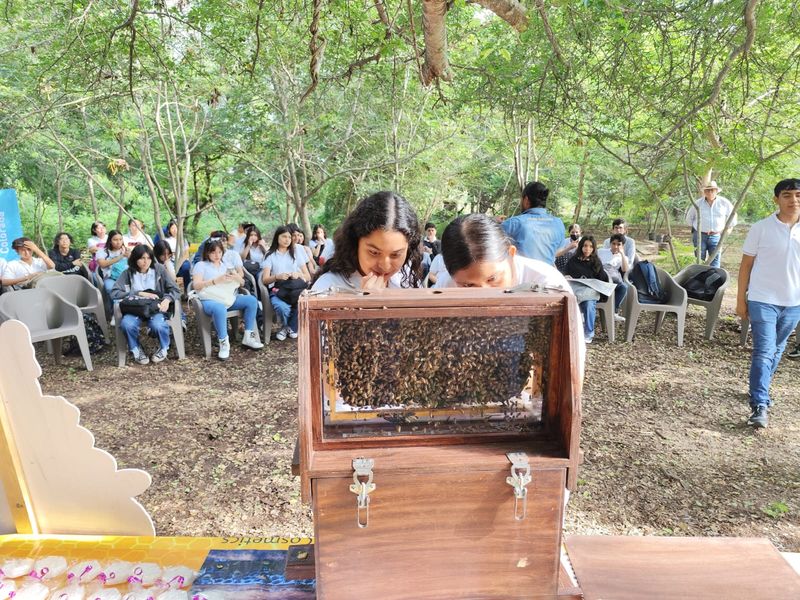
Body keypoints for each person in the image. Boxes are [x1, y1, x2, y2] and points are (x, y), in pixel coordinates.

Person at [438, 213, 584, 372]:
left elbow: (573, 357)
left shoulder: (547, 283)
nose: (485, 295)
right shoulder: (446, 286)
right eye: (467, 285)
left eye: (492, 278)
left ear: (511, 254)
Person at [735, 178, 800, 429]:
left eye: (797, 195)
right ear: (776, 199)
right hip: (763, 299)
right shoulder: (761, 228)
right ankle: (759, 404)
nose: (793, 200)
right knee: (764, 350)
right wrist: (742, 299)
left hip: (794, 302)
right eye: (787, 195)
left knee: (777, 348)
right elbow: (746, 265)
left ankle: (759, 386)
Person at [312, 191, 423, 291]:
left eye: (396, 255)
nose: (384, 266)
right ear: (355, 243)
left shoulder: (407, 281)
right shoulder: (327, 287)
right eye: (374, 252)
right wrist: (367, 305)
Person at [110, 245, 181, 365]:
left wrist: (167, 299)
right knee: (127, 324)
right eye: (142, 258)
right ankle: (136, 350)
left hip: (155, 308)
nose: (145, 262)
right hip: (135, 308)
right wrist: (138, 293)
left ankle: (164, 348)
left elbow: (175, 289)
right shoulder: (128, 273)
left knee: (157, 325)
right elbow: (114, 293)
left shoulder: (159, 270)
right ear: (135, 259)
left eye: (148, 258)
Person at [193, 239, 263, 360]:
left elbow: (241, 283)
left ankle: (248, 336)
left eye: (220, 252)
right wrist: (215, 281)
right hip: (209, 299)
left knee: (251, 300)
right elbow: (196, 285)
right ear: (207, 253)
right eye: (213, 252)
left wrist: (236, 277)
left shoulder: (225, 265)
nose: (217, 255)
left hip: (226, 297)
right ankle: (224, 344)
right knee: (219, 308)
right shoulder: (201, 265)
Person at [260, 226, 311, 340]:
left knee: (304, 302)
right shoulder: (270, 255)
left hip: (295, 289)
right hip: (278, 290)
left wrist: (298, 275)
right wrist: (278, 276)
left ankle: (287, 327)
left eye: (289, 237)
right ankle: (290, 327)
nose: (287, 239)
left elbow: (307, 276)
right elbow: (265, 279)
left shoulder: (296, 253)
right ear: (277, 237)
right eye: (284, 236)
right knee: (282, 307)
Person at [501, 181, 565, 264]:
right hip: (547, 275)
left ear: (526, 200)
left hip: (521, 275)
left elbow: (490, 244)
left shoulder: (513, 223)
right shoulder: (558, 223)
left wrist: (493, 221)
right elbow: (558, 250)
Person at [565, 235, 610, 344]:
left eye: (590, 247)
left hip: (590, 293)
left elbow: (603, 280)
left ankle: (589, 333)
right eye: (585, 246)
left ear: (594, 248)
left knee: (589, 304)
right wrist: (567, 277)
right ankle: (569, 332)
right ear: (581, 247)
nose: (587, 249)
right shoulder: (573, 260)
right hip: (575, 292)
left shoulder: (596, 262)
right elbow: (565, 274)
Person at [685, 181, 737, 268]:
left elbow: (733, 217)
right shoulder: (698, 203)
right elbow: (689, 219)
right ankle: (700, 279)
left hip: (716, 236)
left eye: (712, 190)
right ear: (704, 192)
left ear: (716, 191)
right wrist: (698, 229)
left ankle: (714, 280)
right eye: (708, 190)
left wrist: (726, 231)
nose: (710, 192)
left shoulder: (724, 203)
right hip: (700, 236)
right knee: (699, 260)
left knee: (715, 261)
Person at [598, 233, 629, 319]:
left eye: (618, 244)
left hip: (613, 279)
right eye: (613, 244)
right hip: (601, 276)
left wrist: (622, 254)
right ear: (610, 243)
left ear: (622, 245)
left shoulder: (623, 257)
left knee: (623, 287)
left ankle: (613, 312)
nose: (615, 246)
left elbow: (625, 269)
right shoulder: (601, 251)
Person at [97, 230, 130, 296]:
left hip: (127, 278)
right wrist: (121, 256)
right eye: (115, 240)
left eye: (120, 239)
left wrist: (130, 256)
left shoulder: (127, 250)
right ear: (110, 240)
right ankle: (111, 306)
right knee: (111, 290)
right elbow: (103, 264)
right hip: (110, 278)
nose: (118, 242)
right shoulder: (102, 252)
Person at [162, 220, 191, 290]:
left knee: (186, 268)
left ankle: (187, 291)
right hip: (170, 260)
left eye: (176, 228)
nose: (175, 230)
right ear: (169, 230)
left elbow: (186, 253)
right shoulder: (166, 240)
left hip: (183, 260)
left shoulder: (183, 240)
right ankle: (170, 290)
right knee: (166, 269)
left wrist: (180, 262)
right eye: (172, 228)